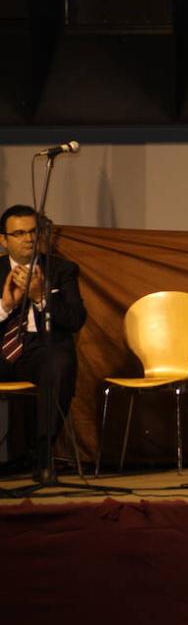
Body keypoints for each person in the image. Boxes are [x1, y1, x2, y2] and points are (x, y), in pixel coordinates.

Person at [0, 206, 87, 484]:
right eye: (19, 233)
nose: (28, 238)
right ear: (4, 240)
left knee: (60, 363)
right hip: (3, 348)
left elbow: (75, 320)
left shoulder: (61, 269)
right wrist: (5, 306)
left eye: (33, 232)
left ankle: (42, 455)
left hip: (43, 347)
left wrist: (41, 298)